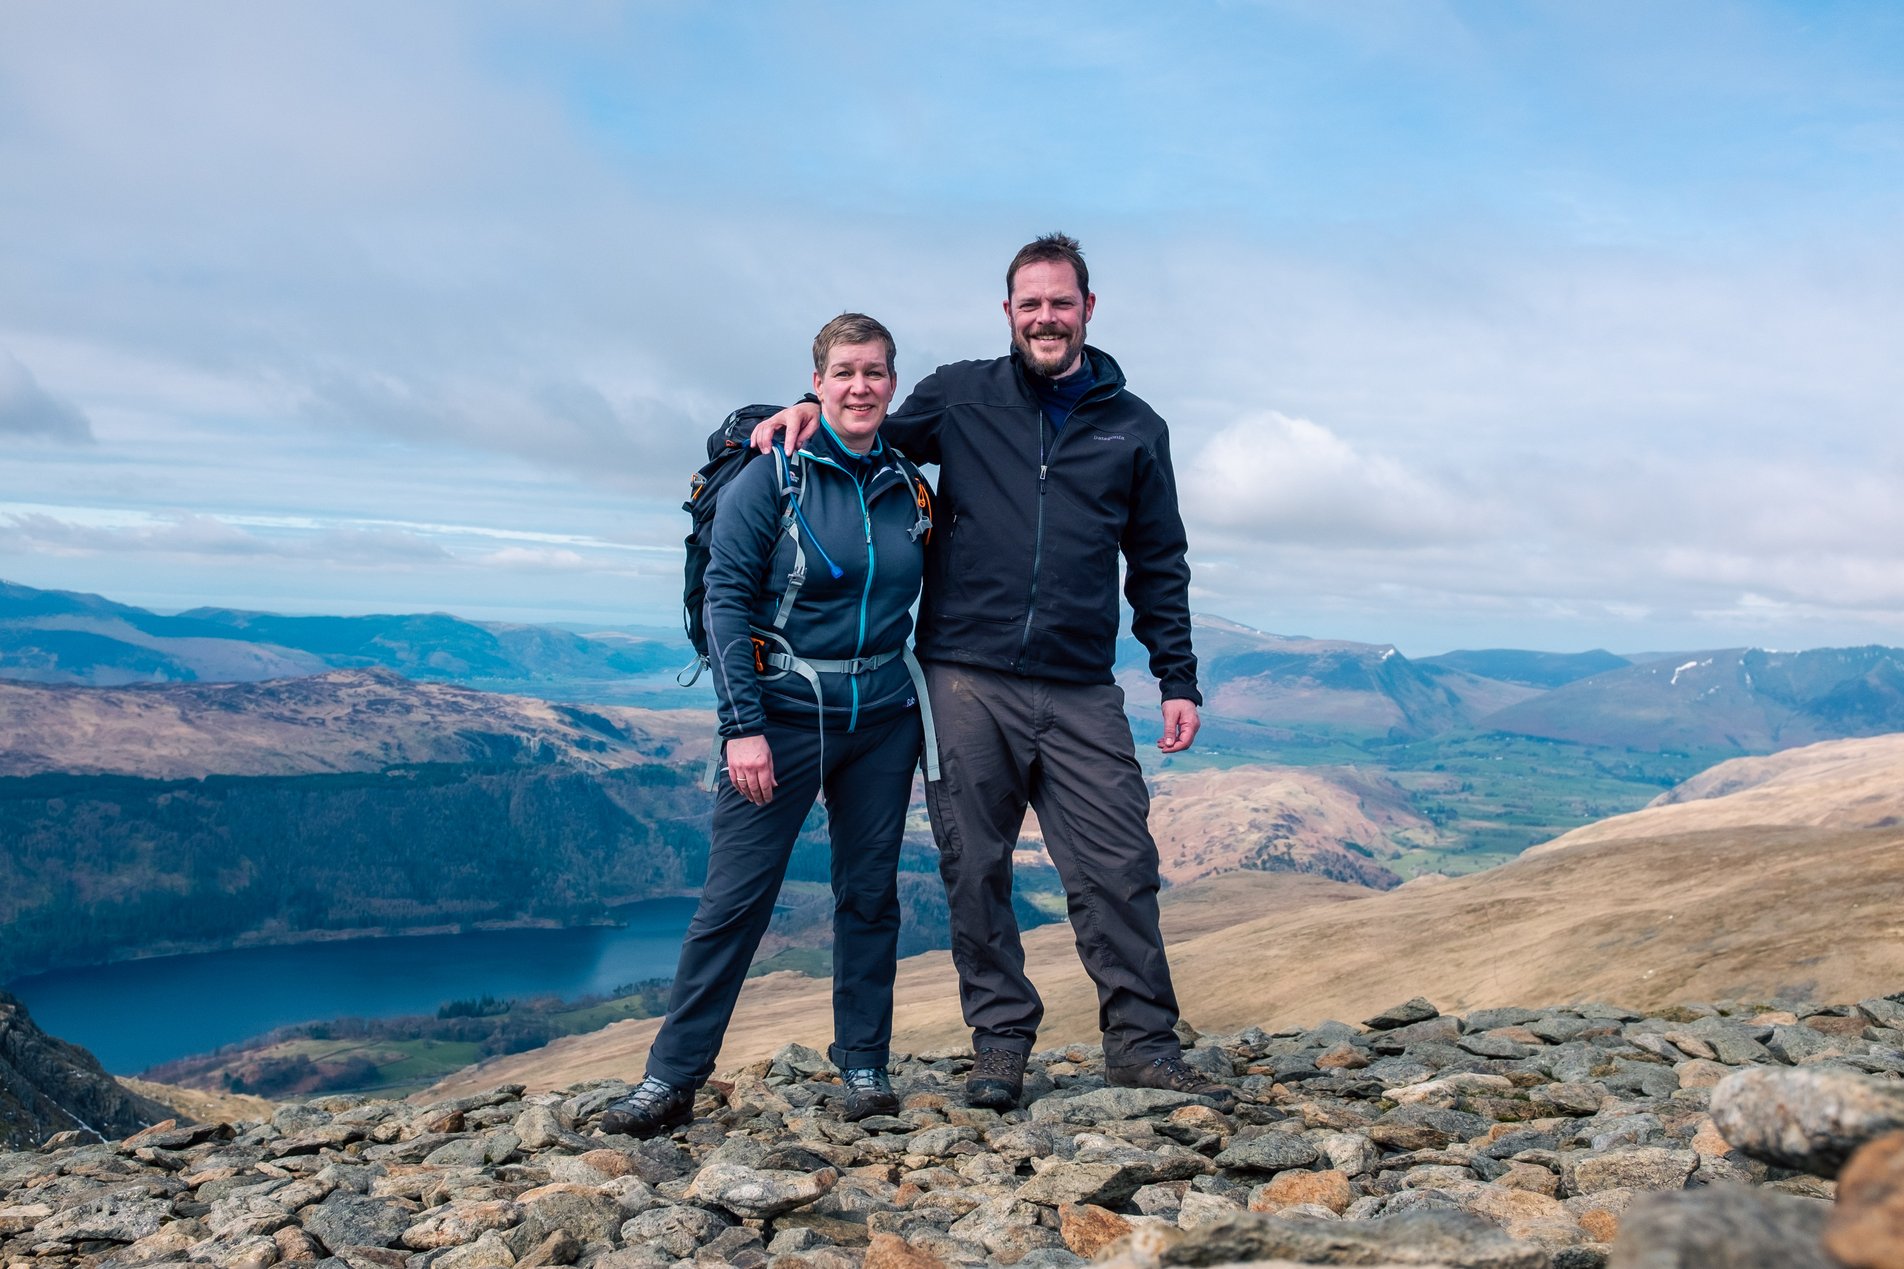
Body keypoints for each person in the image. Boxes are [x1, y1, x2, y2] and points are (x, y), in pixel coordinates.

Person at [751, 234, 1231, 1111]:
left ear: (1090, 308)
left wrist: (1178, 677)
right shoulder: (960, 396)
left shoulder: (1137, 428)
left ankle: (1142, 1043)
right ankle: (1000, 1043)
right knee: (975, 866)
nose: (1046, 317)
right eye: (1029, 303)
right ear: (1008, 312)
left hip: (1083, 684)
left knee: (1118, 861)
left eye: (1061, 301)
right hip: (965, 676)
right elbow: (858, 427)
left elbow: (1160, 562)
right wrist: (781, 411)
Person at [600, 313, 932, 1138]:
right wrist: (740, 726)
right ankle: (670, 1078)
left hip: (882, 717)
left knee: (869, 896)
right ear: (816, 383)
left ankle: (863, 1064)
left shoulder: (908, 482)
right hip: (780, 719)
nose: (862, 386)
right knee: (735, 901)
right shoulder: (773, 474)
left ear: (894, 382)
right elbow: (725, 597)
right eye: (845, 371)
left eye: (877, 372)